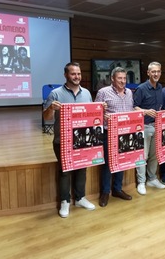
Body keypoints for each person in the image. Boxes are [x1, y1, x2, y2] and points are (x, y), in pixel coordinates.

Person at [43, 62, 95, 218]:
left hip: (83, 140)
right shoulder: (55, 94)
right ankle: (64, 201)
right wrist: (51, 108)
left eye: (79, 74)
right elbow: (47, 119)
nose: (77, 76)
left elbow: (92, 116)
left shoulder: (86, 93)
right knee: (65, 172)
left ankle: (80, 198)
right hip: (63, 141)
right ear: (65, 75)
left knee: (82, 169)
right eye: (73, 74)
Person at [94, 67, 133, 207]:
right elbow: (95, 113)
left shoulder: (129, 93)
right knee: (107, 164)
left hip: (124, 132)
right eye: (119, 78)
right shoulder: (103, 92)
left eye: (124, 78)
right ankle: (105, 192)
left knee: (121, 161)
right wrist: (102, 114)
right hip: (108, 132)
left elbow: (130, 110)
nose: (123, 81)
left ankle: (117, 189)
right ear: (112, 79)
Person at [133, 61, 165, 195]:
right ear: (148, 73)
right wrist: (146, 111)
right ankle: (141, 182)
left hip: (157, 125)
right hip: (144, 126)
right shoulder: (141, 88)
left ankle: (152, 178)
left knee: (154, 155)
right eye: (153, 72)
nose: (156, 74)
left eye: (158, 71)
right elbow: (134, 107)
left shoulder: (160, 87)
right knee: (142, 156)